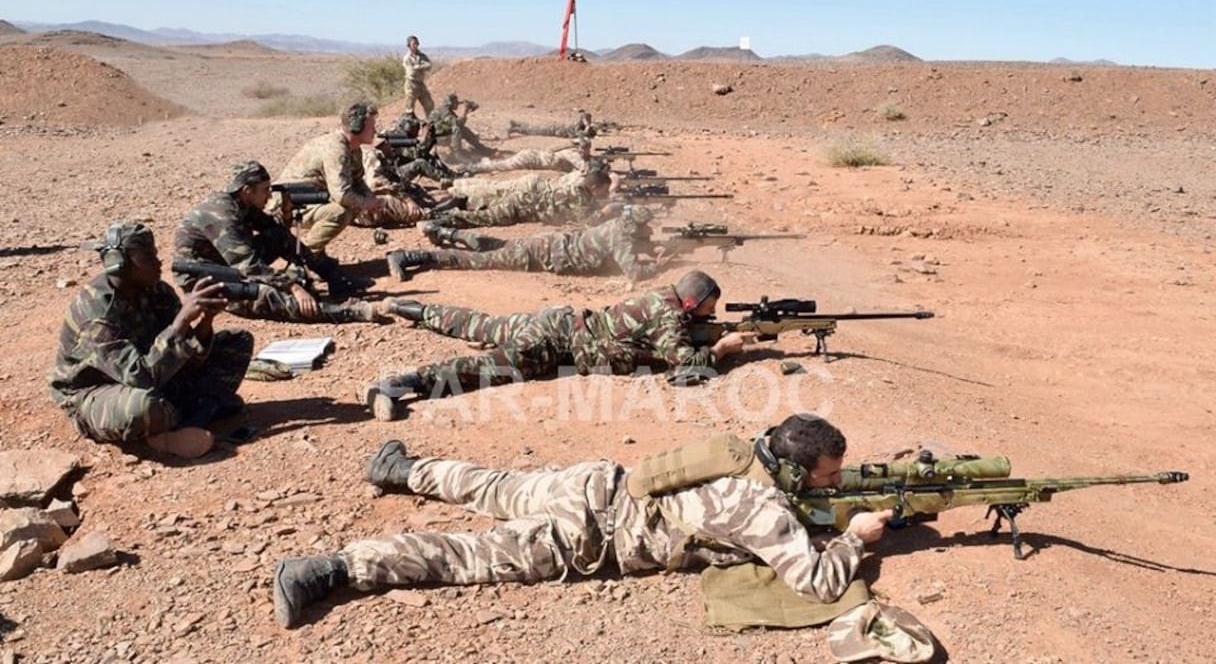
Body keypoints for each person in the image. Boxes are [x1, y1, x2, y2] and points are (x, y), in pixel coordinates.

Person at [271, 414, 897, 636]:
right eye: (826, 477)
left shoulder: (740, 454)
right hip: (587, 537)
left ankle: (402, 468)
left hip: (596, 482)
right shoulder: (762, 512)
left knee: (496, 486)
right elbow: (815, 582)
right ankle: (331, 569)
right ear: (793, 469)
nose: (834, 484)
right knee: (466, 556)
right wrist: (854, 536)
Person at [361, 270, 751, 421]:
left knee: (479, 323)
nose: (708, 315)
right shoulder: (669, 318)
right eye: (707, 309)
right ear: (690, 303)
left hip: (559, 319)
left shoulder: (662, 298)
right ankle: (398, 383)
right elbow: (684, 365)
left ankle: (410, 308)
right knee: (487, 368)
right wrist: (722, 350)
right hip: (556, 342)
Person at [48, 222, 254, 459]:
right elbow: (139, 376)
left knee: (237, 342)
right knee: (142, 407)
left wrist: (206, 321)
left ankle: (184, 415)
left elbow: (187, 358)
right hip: (99, 389)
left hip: (155, 374)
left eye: (155, 254)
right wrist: (181, 321)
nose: (158, 262)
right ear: (119, 263)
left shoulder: (158, 292)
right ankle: (166, 428)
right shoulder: (97, 312)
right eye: (148, 257)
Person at [173, 161, 382, 323]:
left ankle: (334, 277)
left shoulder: (240, 203)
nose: (269, 195)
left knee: (279, 237)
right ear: (247, 191)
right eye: (265, 190)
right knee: (265, 295)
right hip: (205, 278)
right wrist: (292, 287)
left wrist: (287, 211)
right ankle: (349, 312)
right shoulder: (222, 215)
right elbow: (249, 266)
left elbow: (275, 230)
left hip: (227, 264)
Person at [269, 101, 424, 258]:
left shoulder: (353, 149)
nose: (375, 130)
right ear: (357, 127)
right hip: (287, 203)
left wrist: (371, 199)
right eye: (371, 126)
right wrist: (367, 203)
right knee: (340, 212)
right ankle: (305, 256)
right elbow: (341, 194)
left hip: (310, 198)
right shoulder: (336, 149)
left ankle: (316, 255)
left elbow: (358, 181)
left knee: (354, 204)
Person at [385, 204, 676, 283]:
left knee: (493, 245)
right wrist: (658, 267)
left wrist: (649, 249)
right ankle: (409, 255)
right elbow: (634, 274)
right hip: (539, 256)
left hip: (548, 244)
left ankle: (446, 232)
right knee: (478, 260)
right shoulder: (622, 236)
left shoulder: (617, 226)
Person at [436, 162, 613, 228]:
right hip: (523, 205)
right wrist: (609, 210)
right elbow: (588, 222)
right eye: (604, 189)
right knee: (485, 215)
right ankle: (441, 215)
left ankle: (459, 197)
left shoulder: (580, 190)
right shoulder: (580, 197)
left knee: (490, 193)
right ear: (595, 187)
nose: (605, 193)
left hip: (526, 198)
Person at [455, 136, 592, 176]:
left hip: (531, 155)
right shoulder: (573, 154)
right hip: (531, 159)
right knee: (502, 166)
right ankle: (471, 167)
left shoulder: (566, 149)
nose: (588, 151)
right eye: (587, 148)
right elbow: (585, 168)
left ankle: (475, 164)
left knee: (503, 164)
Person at [428, 93, 497, 162]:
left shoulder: (444, 110)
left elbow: (454, 124)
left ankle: (482, 149)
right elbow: (457, 124)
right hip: (436, 138)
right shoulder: (445, 112)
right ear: (450, 103)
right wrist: (465, 112)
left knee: (462, 129)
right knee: (457, 129)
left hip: (439, 134)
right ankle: (458, 154)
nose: (457, 104)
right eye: (456, 102)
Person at [506, 108, 597, 139]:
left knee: (533, 128)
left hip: (554, 128)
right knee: (532, 130)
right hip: (553, 130)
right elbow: (582, 134)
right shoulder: (578, 126)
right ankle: (514, 128)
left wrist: (588, 127)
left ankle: (516, 125)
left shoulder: (578, 124)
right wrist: (587, 126)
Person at [402, 35, 434, 118]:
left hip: (420, 84)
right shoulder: (407, 58)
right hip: (411, 84)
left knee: (429, 105)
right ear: (409, 45)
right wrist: (421, 66)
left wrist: (418, 67)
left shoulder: (422, 56)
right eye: (414, 44)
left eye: (417, 43)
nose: (416, 45)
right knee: (410, 107)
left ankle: (430, 124)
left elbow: (429, 65)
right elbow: (411, 71)